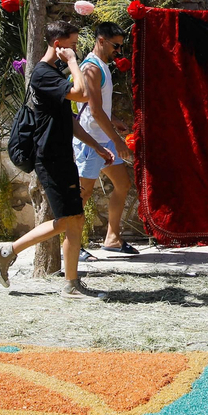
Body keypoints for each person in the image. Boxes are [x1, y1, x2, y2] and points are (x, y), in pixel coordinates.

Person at [0, 20, 111, 297]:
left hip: (60, 154)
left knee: (73, 219)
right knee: (71, 219)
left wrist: (95, 146)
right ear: (58, 45)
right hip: (51, 156)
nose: (76, 51)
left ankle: (67, 282)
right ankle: (10, 252)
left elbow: (68, 118)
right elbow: (81, 95)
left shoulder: (52, 73)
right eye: (71, 46)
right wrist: (73, 63)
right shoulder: (43, 74)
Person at [73, 20, 137, 256]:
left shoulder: (101, 66)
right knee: (83, 193)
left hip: (103, 137)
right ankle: (73, 245)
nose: (118, 51)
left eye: (120, 47)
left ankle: (112, 238)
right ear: (101, 40)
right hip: (91, 141)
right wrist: (118, 142)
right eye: (116, 46)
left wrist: (114, 121)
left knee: (123, 184)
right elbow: (95, 110)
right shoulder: (91, 68)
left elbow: (99, 109)